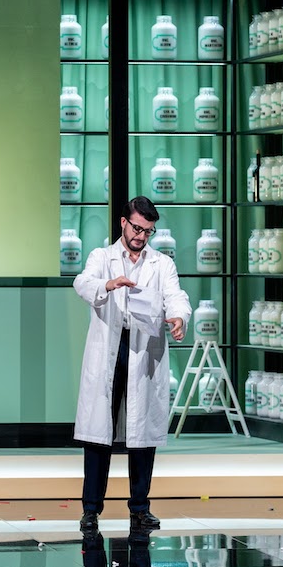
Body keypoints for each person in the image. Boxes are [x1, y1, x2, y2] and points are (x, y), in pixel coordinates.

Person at [73, 196, 192, 535]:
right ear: (123, 222)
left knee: (142, 432)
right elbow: (82, 283)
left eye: (148, 231)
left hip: (143, 349)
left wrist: (179, 317)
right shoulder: (102, 257)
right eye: (137, 228)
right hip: (110, 347)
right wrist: (107, 284)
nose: (141, 236)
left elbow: (176, 295)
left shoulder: (161, 263)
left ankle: (140, 507)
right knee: (99, 433)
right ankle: (91, 510)